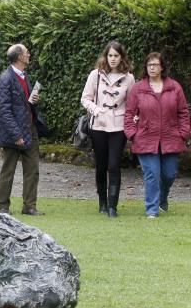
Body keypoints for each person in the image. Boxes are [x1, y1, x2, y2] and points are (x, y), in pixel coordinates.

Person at [124, 52, 190, 218]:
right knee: (152, 174)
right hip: (145, 138)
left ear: (162, 67)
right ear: (146, 68)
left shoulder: (174, 87)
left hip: (171, 137)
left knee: (170, 174)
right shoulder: (138, 88)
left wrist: (184, 133)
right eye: (149, 65)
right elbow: (129, 114)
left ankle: (162, 198)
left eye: (155, 65)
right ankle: (152, 210)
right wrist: (133, 134)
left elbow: (183, 112)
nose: (152, 68)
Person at [80, 41, 135, 217]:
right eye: (110, 55)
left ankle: (113, 206)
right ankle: (102, 202)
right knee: (101, 166)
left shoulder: (129, 77)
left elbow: (133, 103)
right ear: (106, 56)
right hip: (99, 126)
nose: (113, 59)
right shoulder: (95, 75)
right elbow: (85, 98)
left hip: (119, 127)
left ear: (121, 57)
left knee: (114, 165)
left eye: (116, 56)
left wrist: (133, 117)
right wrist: (97, 110)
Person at [0, 43, 48, 216]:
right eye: (26, 52)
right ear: (19, 57)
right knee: (8, 170)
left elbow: (23, 103)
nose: (29, 54)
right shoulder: (6, 79)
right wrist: (16, 134)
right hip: (13, 131)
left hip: (30, 128)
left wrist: (33, 99)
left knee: (32, 169)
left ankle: (29, 206)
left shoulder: (24, 76)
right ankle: (3, 207)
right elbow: (3, 110)